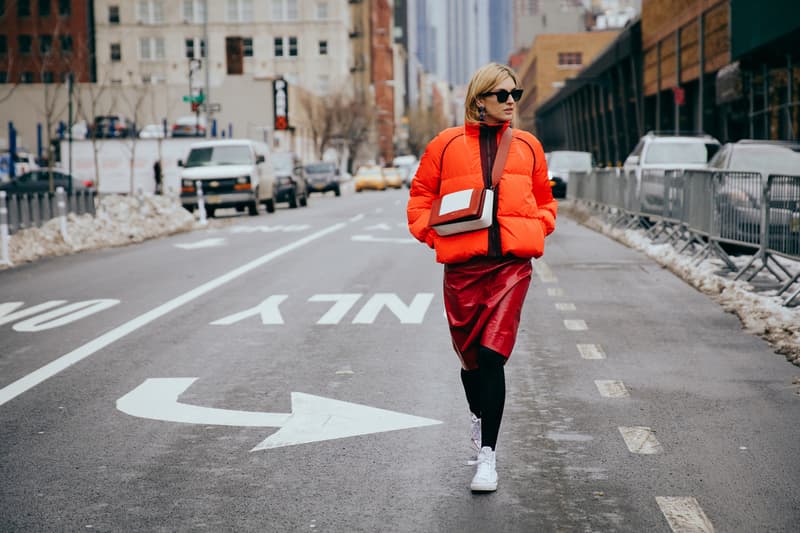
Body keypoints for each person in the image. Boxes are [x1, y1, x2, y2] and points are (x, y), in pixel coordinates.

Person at [406, 63, 557, 493]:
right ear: (479, 100)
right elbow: (420, 198)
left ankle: (488, 456)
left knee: (493, 356)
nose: (511, 101)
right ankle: (479, 416)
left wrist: (538, 226)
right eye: (502, 94)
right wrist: (434, 238)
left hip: (511, 268)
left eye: (516, 94)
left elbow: (546, 198)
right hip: (463, 271)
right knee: (471, 361)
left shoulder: (528, 146)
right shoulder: (446, 144)